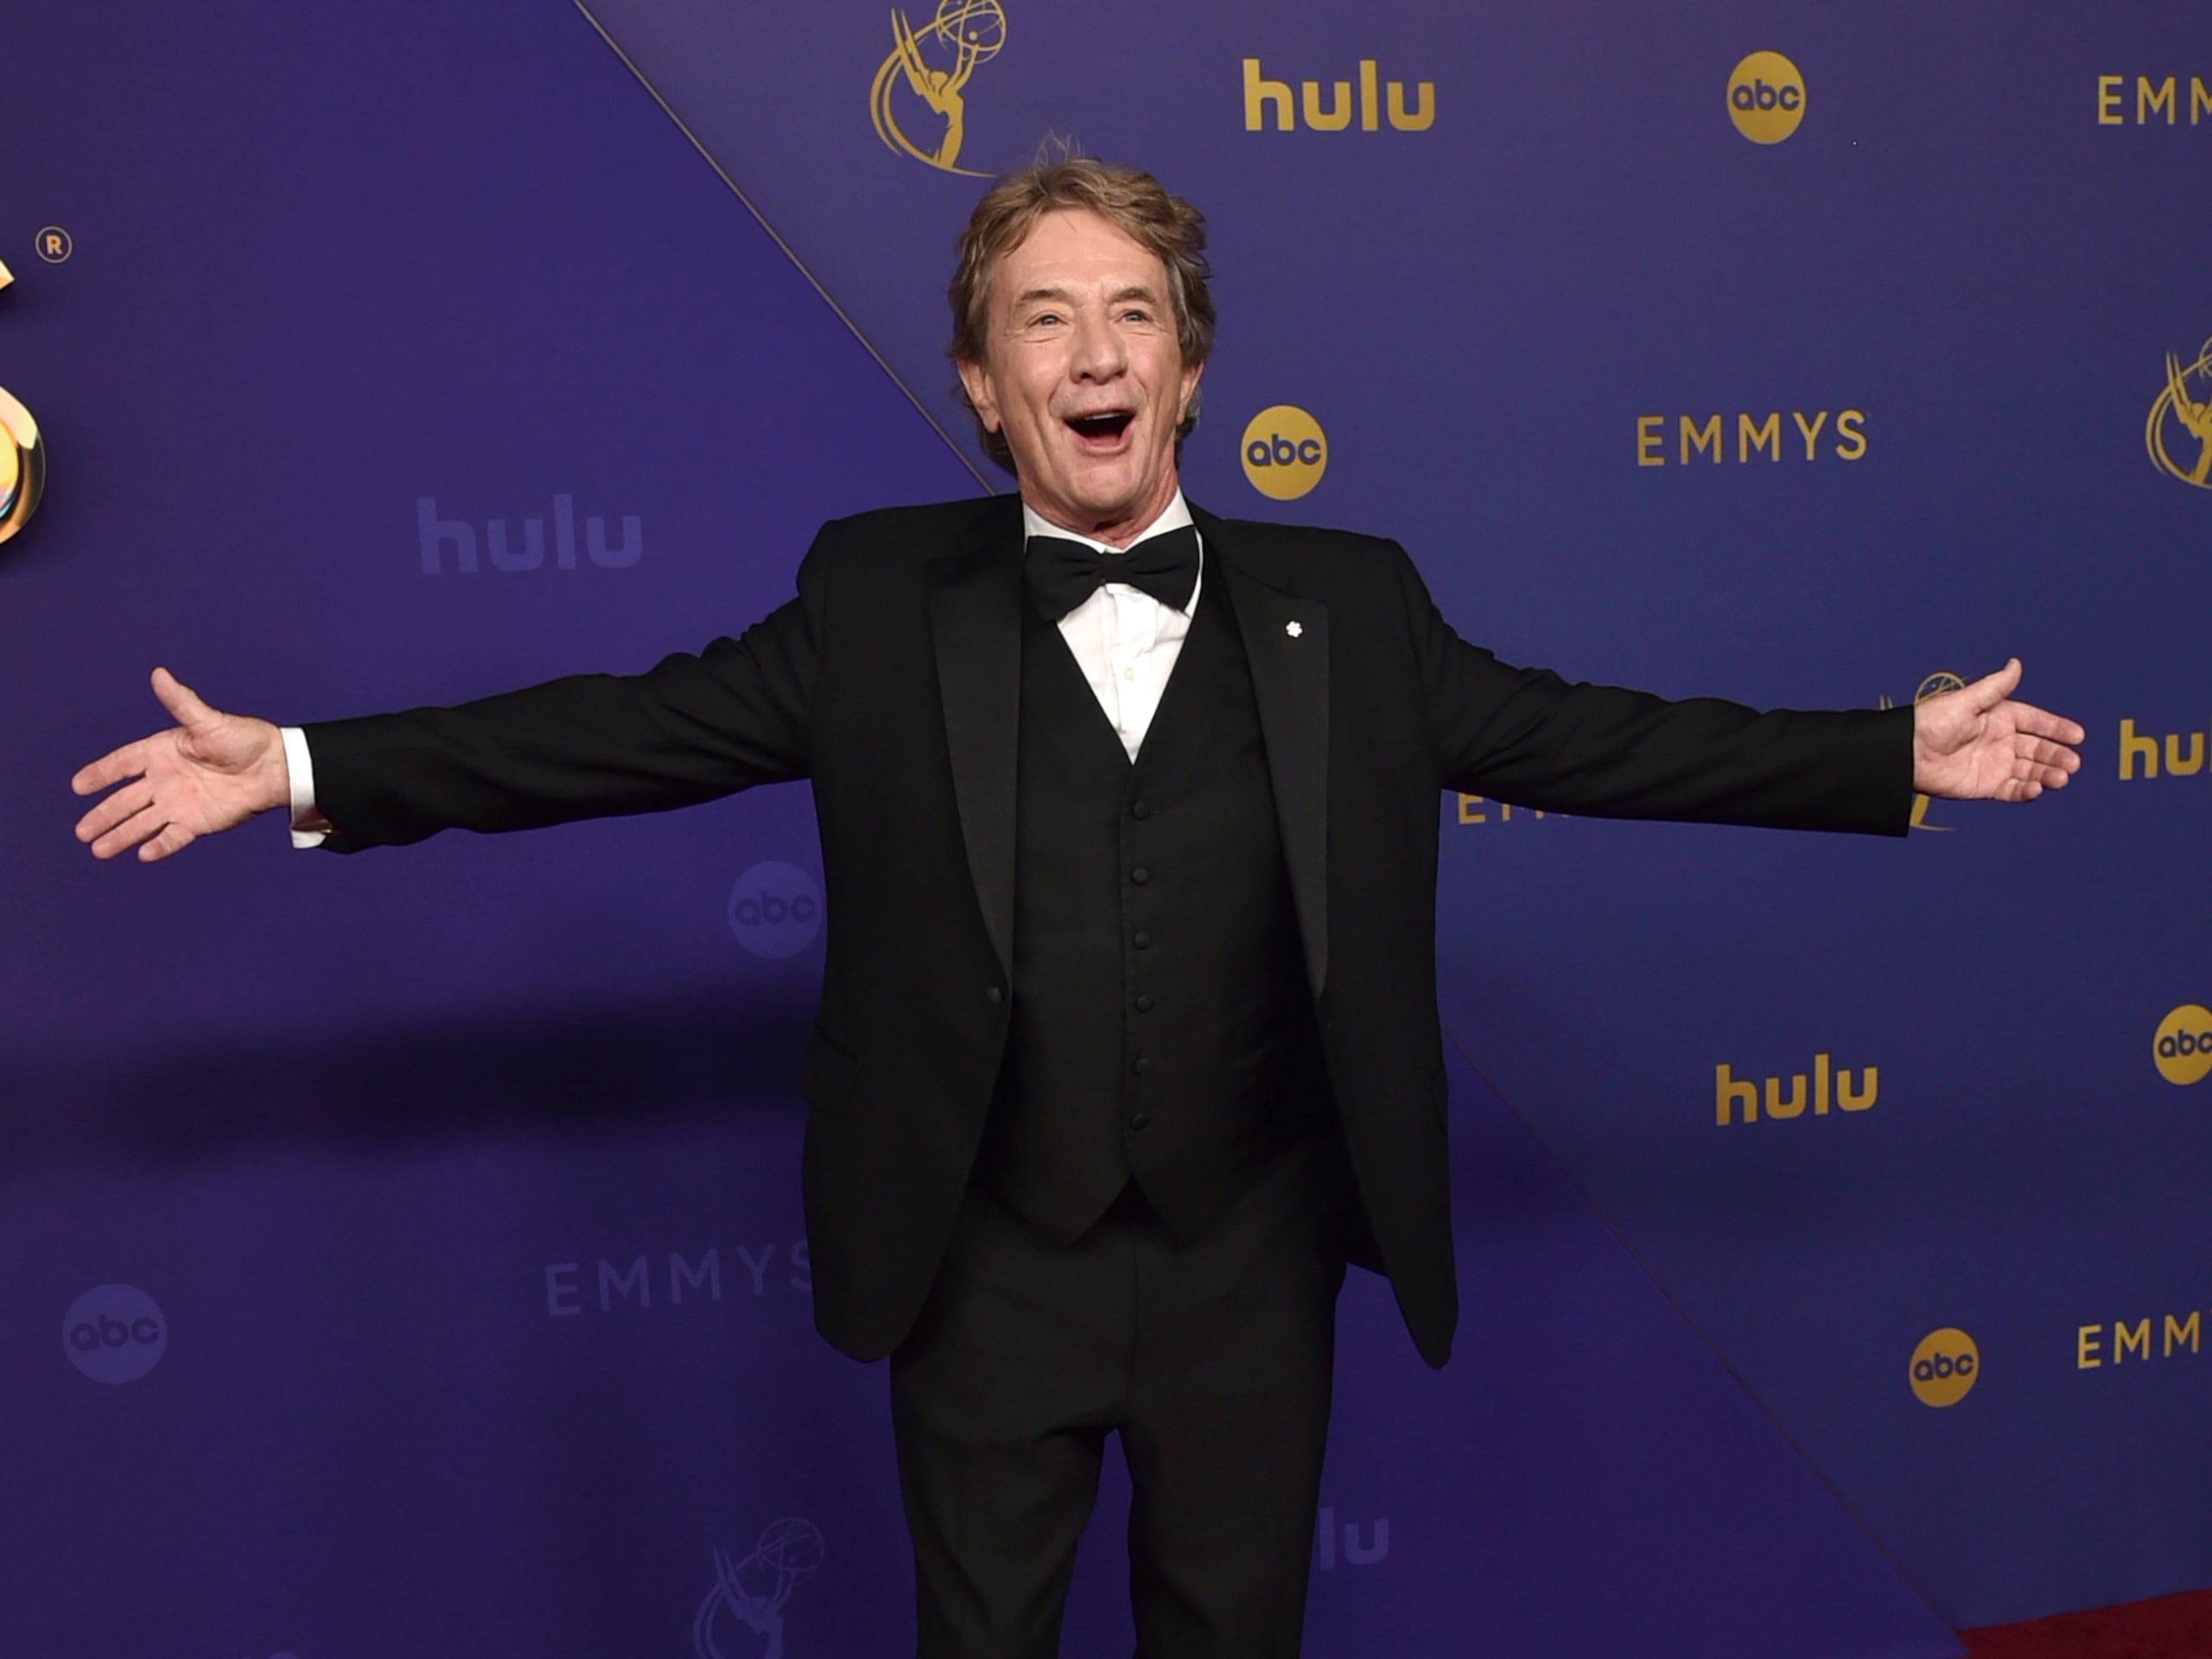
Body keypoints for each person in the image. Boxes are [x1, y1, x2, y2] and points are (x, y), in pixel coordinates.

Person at [72, 158, 2083, 1658]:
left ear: (1188, 367)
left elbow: (1593, 739)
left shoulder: (1351, 605)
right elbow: (626, 731)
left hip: (1246, 1267)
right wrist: (303, 763)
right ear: (981, 383)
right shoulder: (875, 598)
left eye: (1131, 313)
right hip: (983, 1264)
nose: (1095, 353)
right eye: (1044, 319)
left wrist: (1883, 754)